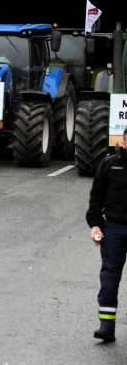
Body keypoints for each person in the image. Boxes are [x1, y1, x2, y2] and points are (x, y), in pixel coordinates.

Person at [86, 127, 127, 342]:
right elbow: (96, 197)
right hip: (115, 228)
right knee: (110, 277)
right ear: (123, 140)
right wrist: (95, 225)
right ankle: (106, 326)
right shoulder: (110, 164)